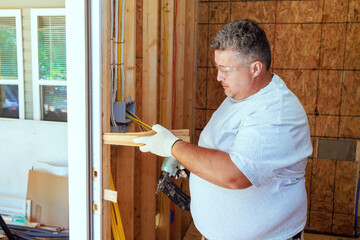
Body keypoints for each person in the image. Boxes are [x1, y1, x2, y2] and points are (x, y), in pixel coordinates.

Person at [134, 19, 313, 240]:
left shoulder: (276, 112)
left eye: (225, 70)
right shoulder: (241, 94)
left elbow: (236, 174)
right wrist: (189, 161)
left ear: (255, 68)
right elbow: (223, 147)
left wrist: (172, 147)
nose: (219, 77)